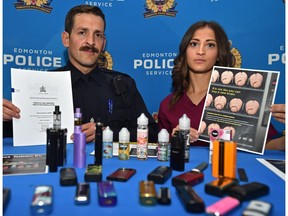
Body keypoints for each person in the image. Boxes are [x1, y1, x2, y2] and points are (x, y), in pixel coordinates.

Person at [3, 5, 158, 143]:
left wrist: (107, 133)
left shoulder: (123, 85)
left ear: (103, 43)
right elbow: (15, 134)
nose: (90, 42)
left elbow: (153, 133)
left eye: (97, 35)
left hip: (110, 171)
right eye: (82, 32)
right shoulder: (42, 85)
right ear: (66, 39)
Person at [157, 20, 279, 147]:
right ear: (185, 51)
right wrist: (176, 140)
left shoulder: (240, 99)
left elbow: (267, 145)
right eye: (194, 44)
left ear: (219, 54)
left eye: (210, 45)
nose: (200, 51)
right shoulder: (168, 104)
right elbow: (162, 151)